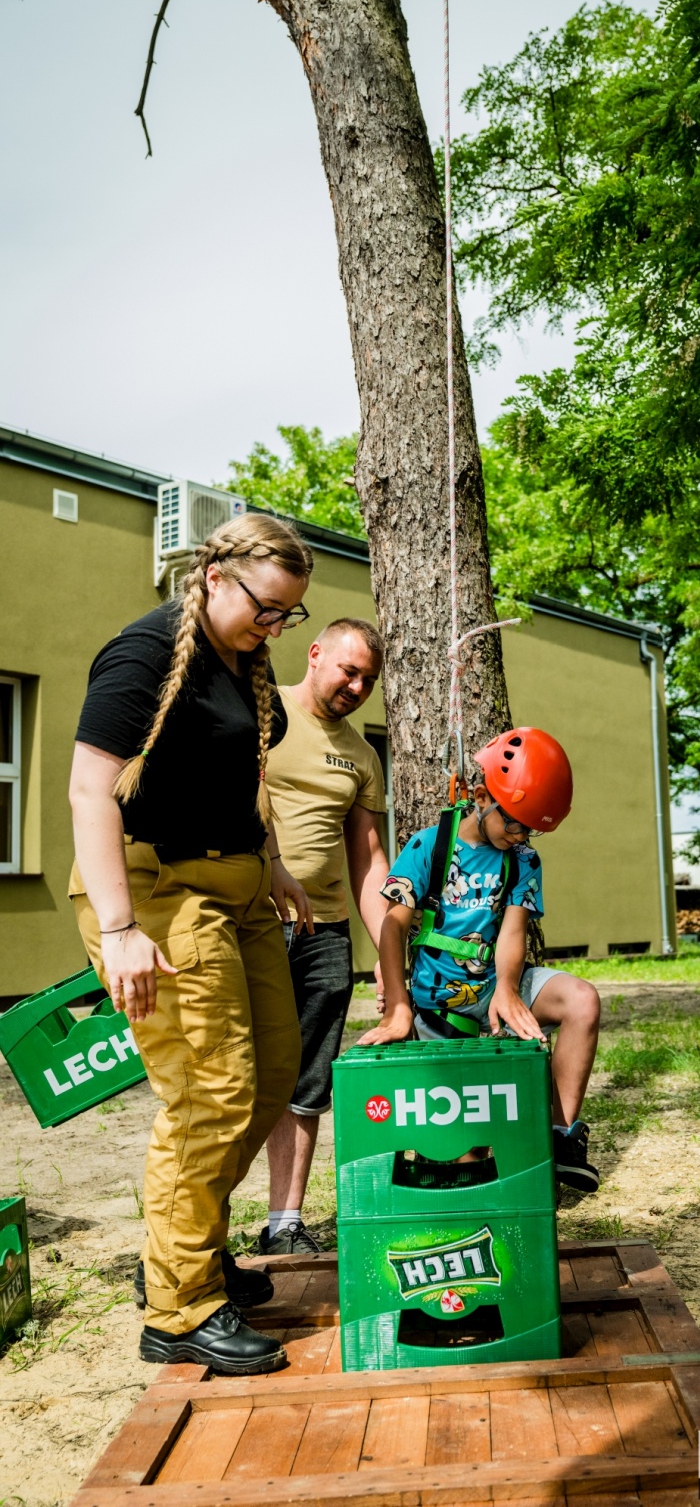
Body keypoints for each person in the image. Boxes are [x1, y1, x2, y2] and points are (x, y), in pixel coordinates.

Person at [68, 514, 314, 1376]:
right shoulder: (143, 655)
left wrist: (272, 862)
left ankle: (186, 1249)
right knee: (212, 1091)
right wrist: (120, 930)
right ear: (214, 576)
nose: (274, 626)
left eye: (287, 615)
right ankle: (179, 1308)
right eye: (265, 607)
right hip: (158, 891)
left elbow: (240, 775)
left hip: (238, 887)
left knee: (272, 1076)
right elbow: (89, 792)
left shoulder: (246, 659)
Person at [358, 727, 601, 1194]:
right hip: (438, 1006)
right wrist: (399, 1007)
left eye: (530, 828)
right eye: (514, 823)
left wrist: (507, 989)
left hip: (494, 985)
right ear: (483, 797)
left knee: (582, 1001)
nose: (520, 835)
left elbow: (512, 931)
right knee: (465, 1165)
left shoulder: (523, 860)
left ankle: (558, 1139)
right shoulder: (430, 846)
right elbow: (392, 927)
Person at [255, 618, 391, 1256]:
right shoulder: (262, 713)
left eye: (369, 680)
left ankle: (284, 1224)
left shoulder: (362, 757)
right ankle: (198, 1235)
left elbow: (369, 862)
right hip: (250, 922)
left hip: (325, 933)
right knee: (234, 1077)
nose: (357, 687)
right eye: (349, 670)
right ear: (315, 654)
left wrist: (389, 956)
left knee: (307, 1080)